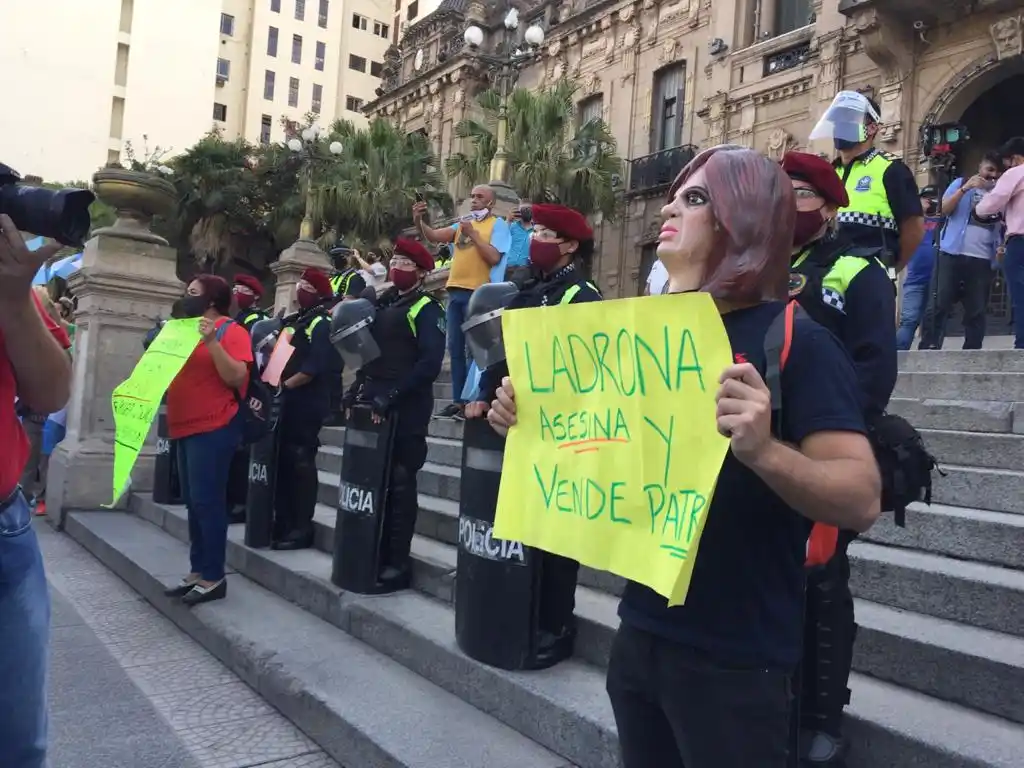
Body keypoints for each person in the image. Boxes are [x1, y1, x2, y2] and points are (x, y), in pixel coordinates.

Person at [486, 147, 882, 768]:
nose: (670, 206)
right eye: (675, 195)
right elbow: (606, 449)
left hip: (736, 654)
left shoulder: (800, 343)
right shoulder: (645, 335)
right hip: (641, 631)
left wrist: (764, 451)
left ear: (742, 220)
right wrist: (529, 425)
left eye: (694, 199)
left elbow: (860, 498)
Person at [782, 151, 898, 767]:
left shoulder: (857, 270)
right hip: (763, 456)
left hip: (826, 456)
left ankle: (824, 717)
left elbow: (876, 369)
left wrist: (828, 438)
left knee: (822, 585)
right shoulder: (763, 265)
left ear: (827, 205)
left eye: (796, 192)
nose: (784, 202)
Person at [465, 204, 601, 660]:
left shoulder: (581, 294)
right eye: (535, 230)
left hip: (561, 431)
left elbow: (587, 367)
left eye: (544, 232)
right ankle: (525, 611)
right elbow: (499, 352)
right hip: (518, 426)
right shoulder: (525, 289)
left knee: (558, 536)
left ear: (569, 245)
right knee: (530, 527)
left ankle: (557, 625)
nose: (535, 238)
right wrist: (484, 391)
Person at [0, 216, 72, 768]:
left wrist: (15, 300)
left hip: (5, 531)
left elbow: (49, 392)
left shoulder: (12, 287)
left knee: (19, 744)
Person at [342, 238, 446, 589]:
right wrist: (357, 386)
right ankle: (368, 552)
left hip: (407, 409)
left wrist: (393, 395)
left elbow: (430, 363)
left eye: (405, 261)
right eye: (395, 260)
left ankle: (396, 563)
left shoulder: (428, 309)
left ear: (419, 271)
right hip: (374, 403)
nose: (398, 265)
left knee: (400, 484)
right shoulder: (384, 302)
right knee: (371, 482)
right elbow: (368, 352)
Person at [163, 275, 253, 606]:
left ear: (212, 301)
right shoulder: (184, 330)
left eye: (193, 293)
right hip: (184, 426)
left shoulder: (233, 331)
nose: (186, 297)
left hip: (215, 425)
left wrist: (213, 342)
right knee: (192, 501)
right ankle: (198, 570)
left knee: (207, 501)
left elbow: (237, 376)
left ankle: (214, 576)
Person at [413, 185, 511, 420]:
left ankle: (472, 399)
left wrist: (474, 234)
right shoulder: (462, 224)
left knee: (474, 350)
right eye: (472, 196)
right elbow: (434, 236)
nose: (474, 201)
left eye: (480, 197)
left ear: (490, 203)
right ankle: (458, 401)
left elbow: (494, 256)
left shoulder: (498, 225)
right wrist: (419, 221)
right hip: (455, 292)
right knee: (455, 349)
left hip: (479, 295)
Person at [812, 91, 925, 270]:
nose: (840, 126)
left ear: (872, 128)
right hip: (827, 271)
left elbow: (914, 228)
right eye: (837, 121)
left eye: (849, 119)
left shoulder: (891, 169)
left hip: (869, 276)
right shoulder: (830, 172)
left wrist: (892, 268)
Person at [272, 267, 339, 550]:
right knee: (283, 463)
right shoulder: (295, 322)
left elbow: (314, 366)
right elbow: (277, 359)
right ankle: (283, 522)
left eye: (306, 286)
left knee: (301, 463)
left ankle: (301, 528)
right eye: (299, 284)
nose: (300, 289)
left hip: (306, 403)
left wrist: (286, 385)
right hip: (285, 401)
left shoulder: (321, 323)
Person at [918, 153, 1004, 350]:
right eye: (989, 170)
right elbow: (943, 210)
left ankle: (972, 351)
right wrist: (965, 189)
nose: (993, 176)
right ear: (980, 167)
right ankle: (929, 346)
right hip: (951, 254)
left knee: (977, 310)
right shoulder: (960, 183)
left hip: (982, 259)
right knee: (939, 303)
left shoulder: (1002, 193)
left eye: (998, 173)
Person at [974, 136, 1024, 349]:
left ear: (1014, 158)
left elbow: (990, 204)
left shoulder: (1016, 173)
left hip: (1020, 241)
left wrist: (978, 209)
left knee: (1020, 293)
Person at [896, 188, 941, 350]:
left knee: (933, 320)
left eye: (933, 198)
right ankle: (898, 355)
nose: (929, 201)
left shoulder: (944, 220)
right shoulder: (913, 221)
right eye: (925, 198)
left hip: (938, 279)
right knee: (909, 319)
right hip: (915, 278)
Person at [505, 203, 534, 284]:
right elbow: (501, 238)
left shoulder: (537, 231)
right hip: (507, 267)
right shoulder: (512, 226)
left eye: (528, 209)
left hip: (524, 271)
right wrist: (508, 220)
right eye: (523, 209)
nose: (526, 212)